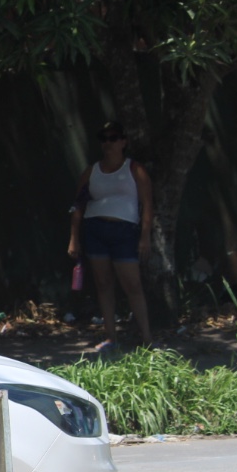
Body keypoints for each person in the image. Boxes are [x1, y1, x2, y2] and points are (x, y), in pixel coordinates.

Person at [68, 121, 154, 351]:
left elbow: (147, 205)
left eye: (113, 138)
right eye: (104, 138)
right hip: (96, 230)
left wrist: (145, 236)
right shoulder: (91, 171)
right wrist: (74, 237)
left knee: (132, 284)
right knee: (103, 283)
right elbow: (78, 205)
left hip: (125, 232)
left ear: (123, 142)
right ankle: (111, 337)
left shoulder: (134, 169)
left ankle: (147, 338)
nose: (108, 143)